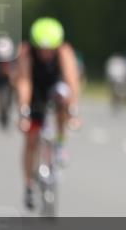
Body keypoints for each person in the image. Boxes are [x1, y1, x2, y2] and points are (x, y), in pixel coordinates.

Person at [15, 18, 82, 210]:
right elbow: (24, 83)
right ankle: (28, 185)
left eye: (49, 49)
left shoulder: (64, 52)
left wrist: (74, 112)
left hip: (55, 87)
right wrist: (23, 113)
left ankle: (60, 143)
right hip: (35, 90)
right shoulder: (26, 53)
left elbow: (72, 80)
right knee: (30, 139)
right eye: (41, 49)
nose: (45, 53)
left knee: (63, 96)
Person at [0, 36, 16, 129]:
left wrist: (12, 76)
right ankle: (1, 114)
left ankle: (6, 113)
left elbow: (16, 73)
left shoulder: (14, 59)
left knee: (8, 101)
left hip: (9, 82)